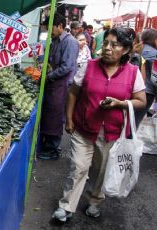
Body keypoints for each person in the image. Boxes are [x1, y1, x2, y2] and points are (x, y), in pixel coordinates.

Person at [52, 27, 146, 222]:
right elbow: (73, 93)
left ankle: (94, 201)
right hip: (84, 128)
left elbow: (141, 101)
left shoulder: (133, 72)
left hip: (112, 133)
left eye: (114, 44)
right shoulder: (89, 66)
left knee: (101, 171)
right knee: (77, 167)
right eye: (105, 43)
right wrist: (69, 119)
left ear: (127, 50)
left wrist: (120, 104)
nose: (108, 48)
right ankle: (66, 206)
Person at [38, 14, 79, 160]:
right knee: (49, 114)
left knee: (55, 116)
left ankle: (53, 150)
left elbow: (67, 67)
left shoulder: (70, 42)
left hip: (62, 85)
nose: (49, 32)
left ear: (60, 26)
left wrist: (48, 76)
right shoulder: (54, 41)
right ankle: (48, 145)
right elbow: (48, 58)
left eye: (51, 28)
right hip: (53, 83)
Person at [135, 28, 157, 126]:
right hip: (148, 92)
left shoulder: (136, 49)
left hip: (133, 88)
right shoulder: (155, 54)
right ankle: (127, 139)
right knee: (135, 120)